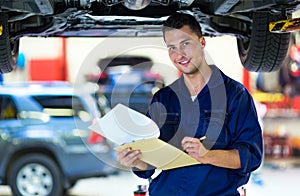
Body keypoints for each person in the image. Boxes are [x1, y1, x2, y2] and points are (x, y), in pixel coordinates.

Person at [116, 12, 263, 195]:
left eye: (185, 44)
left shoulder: (235, 95)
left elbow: (251, 157)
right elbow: (149, 164)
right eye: (172, 47)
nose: (179, 54)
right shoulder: (164, 98)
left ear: (202, 42)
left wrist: (207, 156)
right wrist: (136, 161)